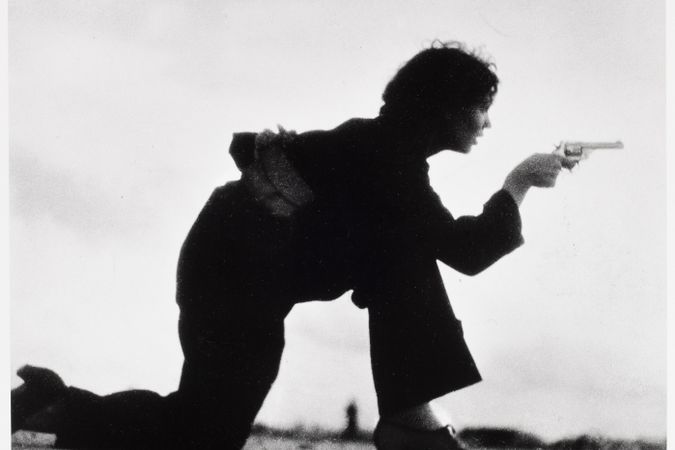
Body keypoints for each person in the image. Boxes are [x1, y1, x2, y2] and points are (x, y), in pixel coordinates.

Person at [11, 41, 573, 449]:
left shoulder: (382, 148)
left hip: (234, 265)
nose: (487, 123)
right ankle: (54, 406)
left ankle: (411, 416)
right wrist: (517, 182)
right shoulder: (388, 159)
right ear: (446, 107)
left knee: (403, 256)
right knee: (205, 430)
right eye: (482, 107)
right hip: (233, 276)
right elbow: (465, 252)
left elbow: (264, 151)